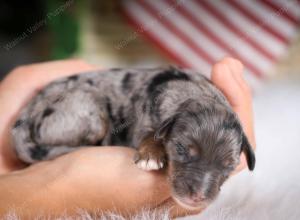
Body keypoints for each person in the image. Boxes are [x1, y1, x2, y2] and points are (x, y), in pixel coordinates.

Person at [0, 57, 256, 218]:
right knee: (90, 119)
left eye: (225, 166)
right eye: (185, 152)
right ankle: (42, 149)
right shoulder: (163, 102)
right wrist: (54, 186)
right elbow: (144, 136)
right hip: (64, 111)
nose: (201, 190)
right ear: (166, 128)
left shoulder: (194, 120)